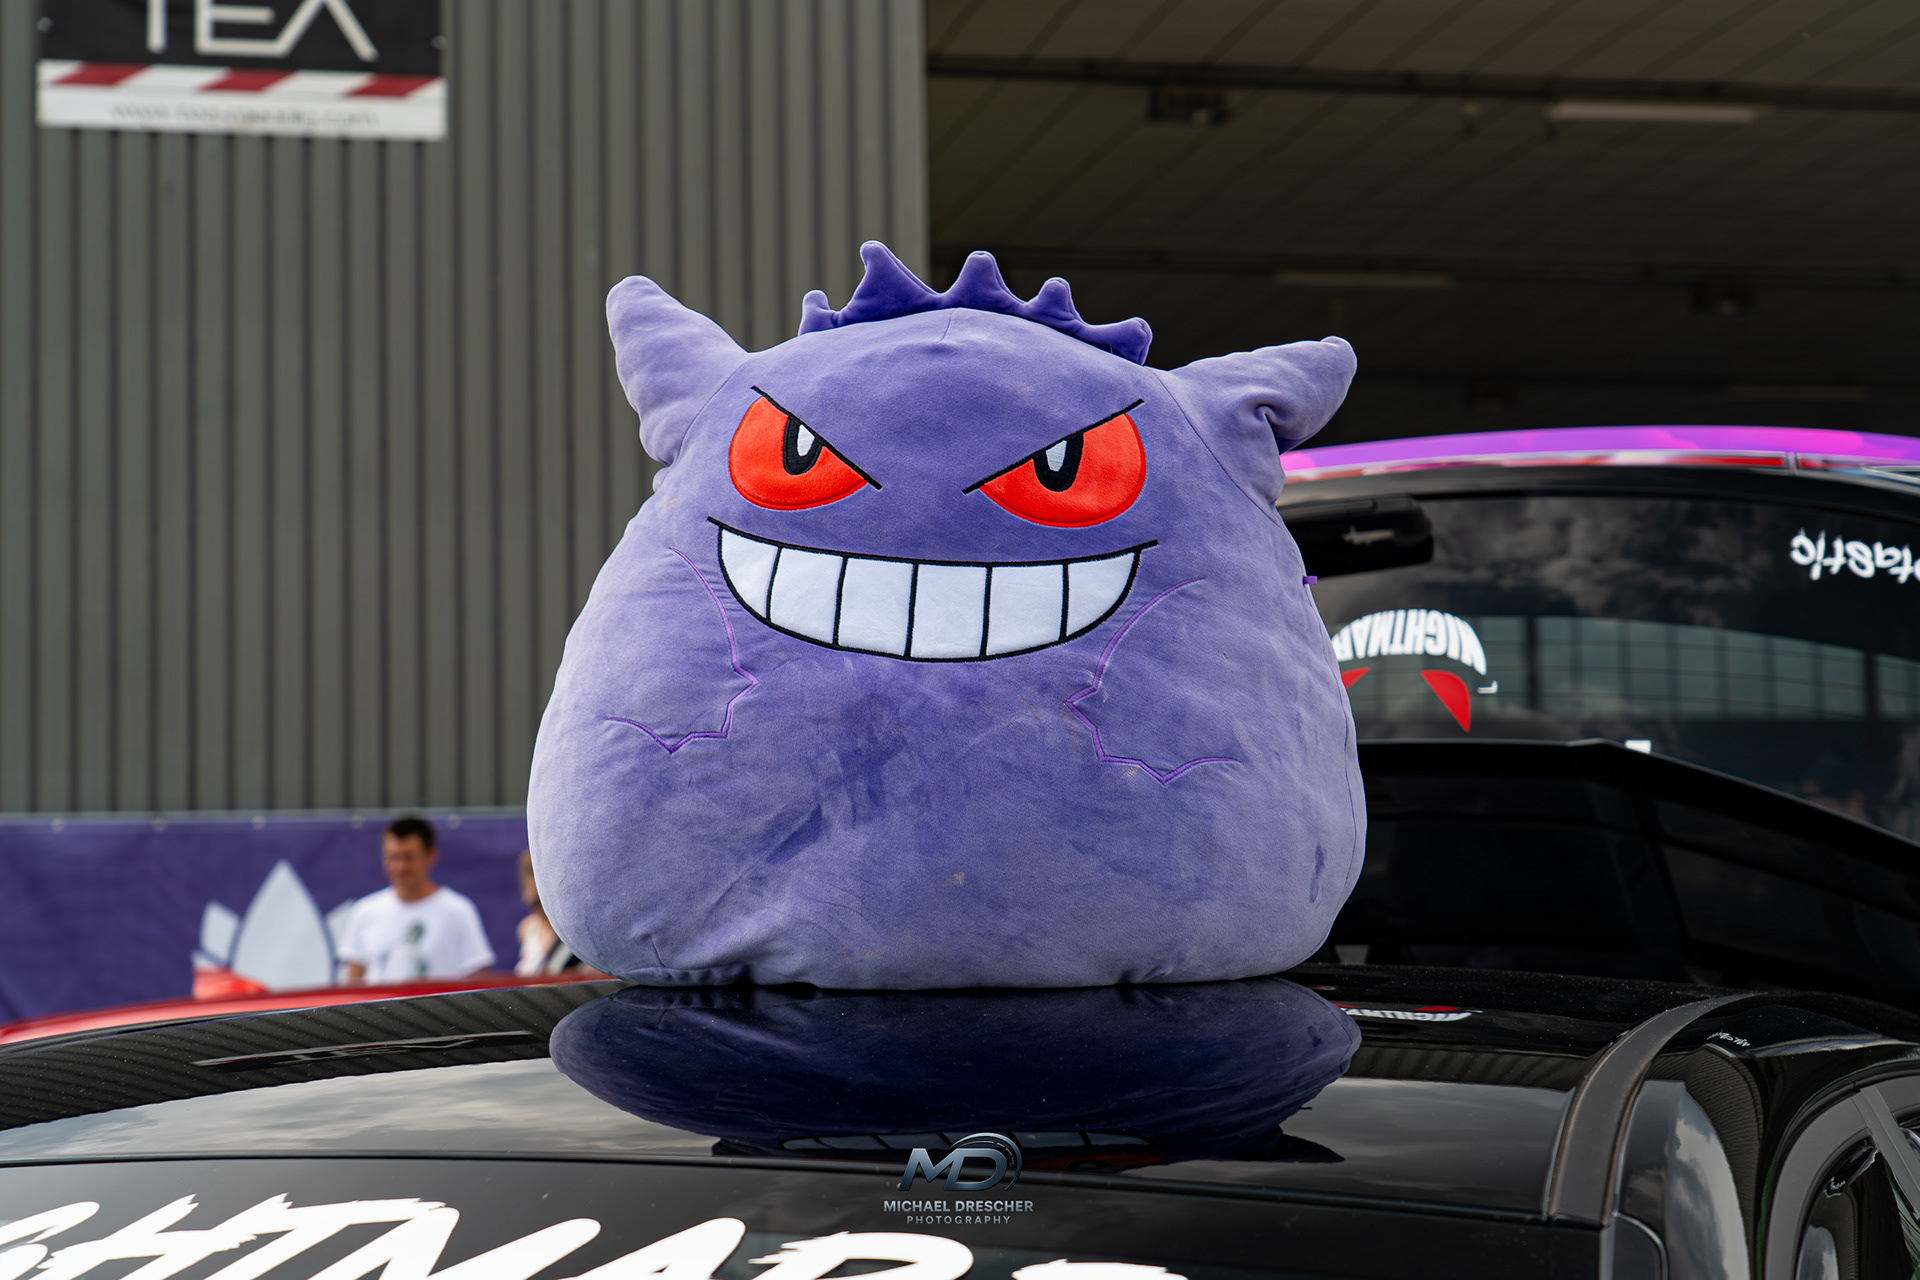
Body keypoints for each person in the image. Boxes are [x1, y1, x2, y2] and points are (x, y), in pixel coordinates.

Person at [338, 815, 495, 985]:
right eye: (393, 857)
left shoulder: (458, 911)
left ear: (430, 855)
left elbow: (477, 978)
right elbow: (353, 980)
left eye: (409, 857)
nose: (400, 866)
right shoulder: (364, 911)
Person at [515, 850, 603, 977]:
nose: (539, 910)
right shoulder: (527, 928)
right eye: (532, 903)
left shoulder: (577, 935)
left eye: (540, 902)